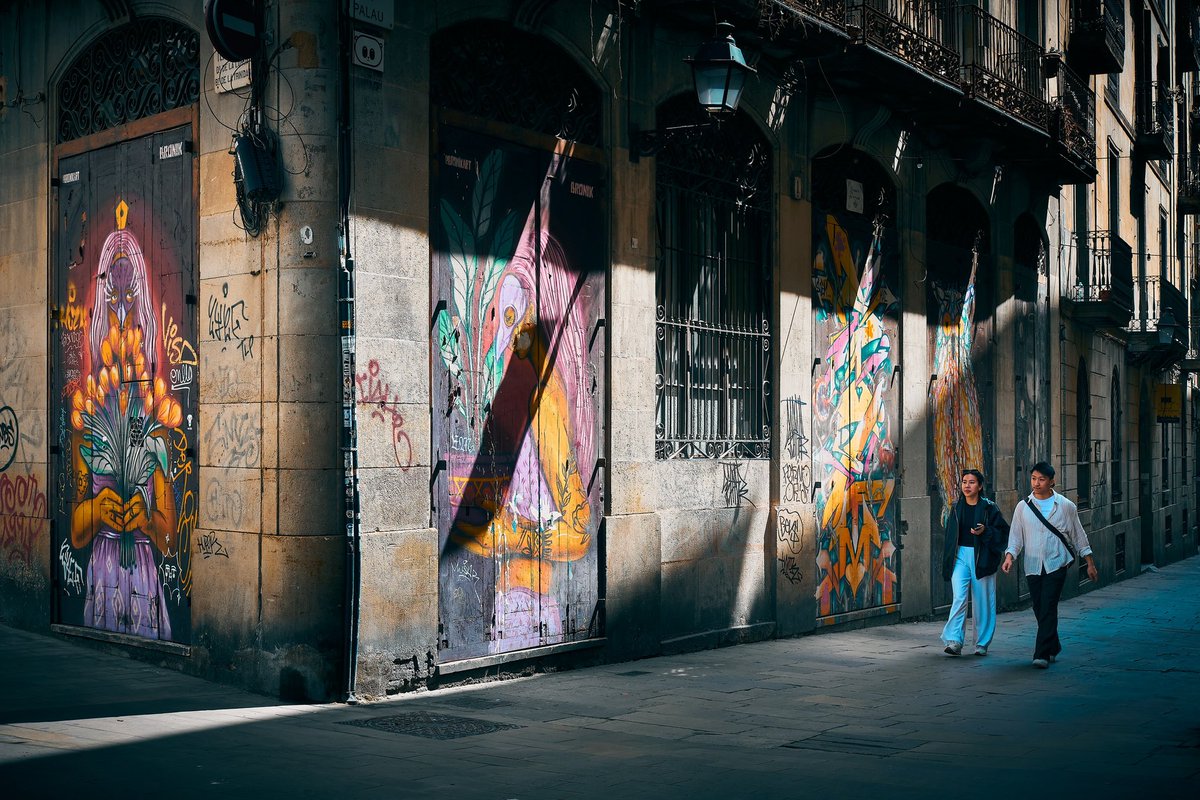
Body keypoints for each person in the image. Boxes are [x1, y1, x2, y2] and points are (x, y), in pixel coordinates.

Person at [1002, 461, 1098, 668]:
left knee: (1048, 605)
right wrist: (1010, 556)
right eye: (1034, 478)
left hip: (1057, 563)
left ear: (1052, 481)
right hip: (1033, 565)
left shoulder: (1066, 506)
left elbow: (1079, 536)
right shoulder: (1023, 507)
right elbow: (1016, 537)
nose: (1036, 483)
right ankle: (1053, 645)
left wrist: (1089, 562)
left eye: (1041, 479)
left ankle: (1042, 654)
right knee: (1039, 607)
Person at [941, 469, 1009, 656]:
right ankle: (954, 641)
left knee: (983, 600)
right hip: (960, 557)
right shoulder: (956, 507)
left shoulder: (989, 508)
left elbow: (1003, 534)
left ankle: (982, 643)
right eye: (964, 482)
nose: (967, 486)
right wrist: (947, 561)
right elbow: (949, 537)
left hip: (982, 557)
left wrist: (985, 531)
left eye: (972, 482)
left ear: (979, 486)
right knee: (959, 598)